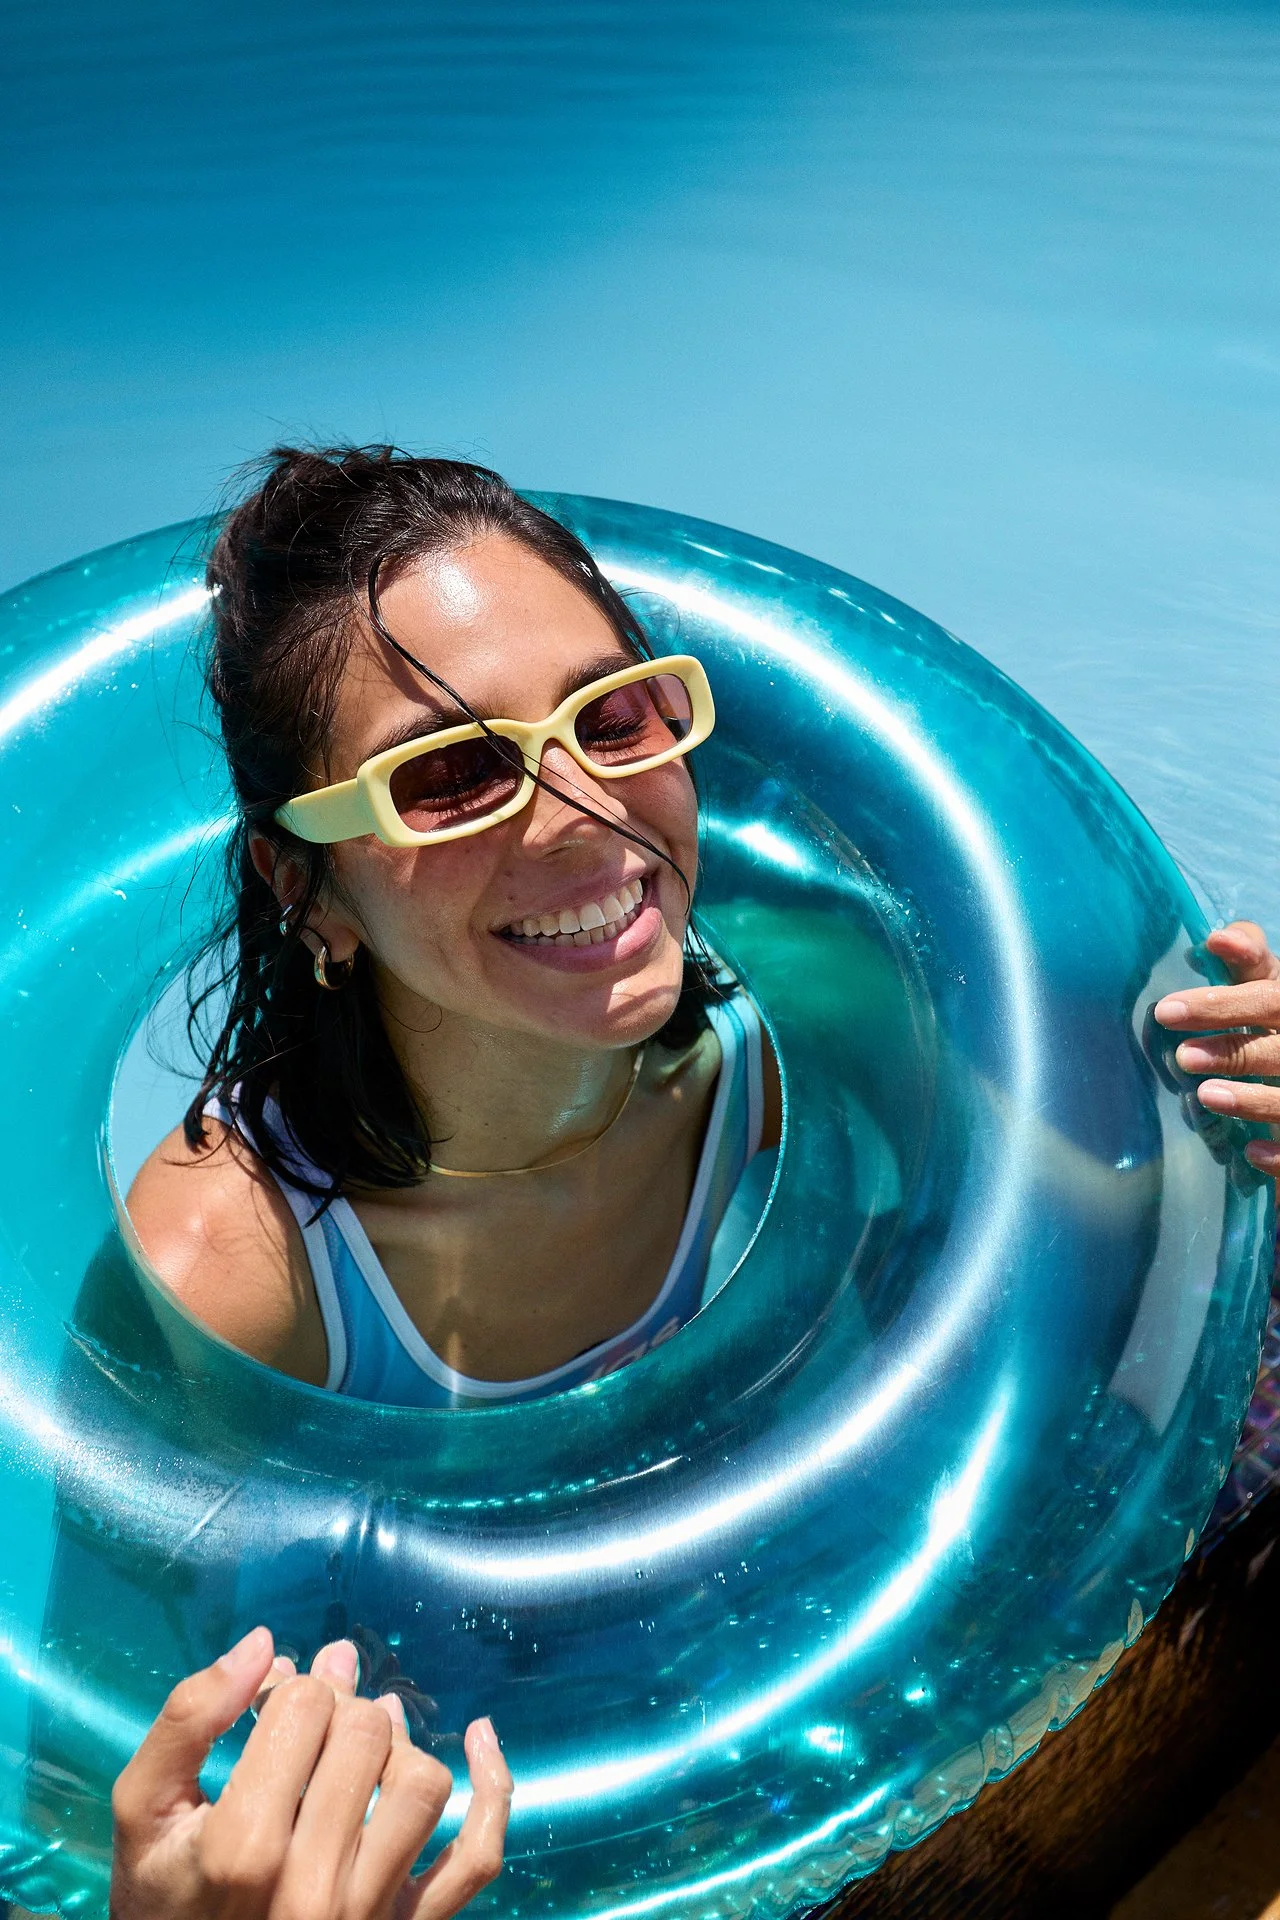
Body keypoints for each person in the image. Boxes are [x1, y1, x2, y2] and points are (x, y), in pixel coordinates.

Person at [102, 445, 1276, 1916]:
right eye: (454, 773)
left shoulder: (827, 1028)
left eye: (614, 716)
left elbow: (1122, 1275)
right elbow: (158, 1683)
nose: (580, 812)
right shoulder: (240, 1255)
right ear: (305, 885)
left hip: (884, 1689)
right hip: (559, 1817)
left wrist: (1249, 1142)